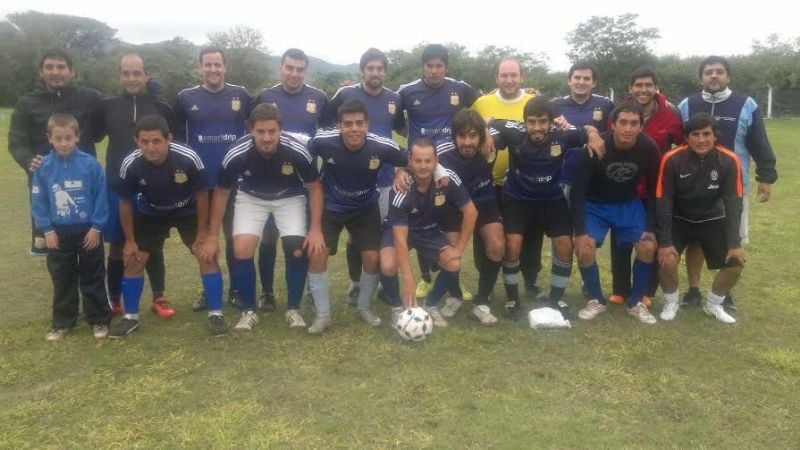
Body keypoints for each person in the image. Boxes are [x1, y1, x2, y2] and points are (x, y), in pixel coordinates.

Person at [200, 104, 325, 333]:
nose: (266, 138)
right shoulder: (236, 153)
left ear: (281, 130)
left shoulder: (297, 150)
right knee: (241, 249)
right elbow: (221, 193)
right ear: (250, 130)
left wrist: (315, 228)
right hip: (252, 197)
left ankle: (293, 309)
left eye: (272, 131)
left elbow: (315, 187)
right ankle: (249, 311)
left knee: (296, 249)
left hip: (290, 197)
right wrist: (211, 235)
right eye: (260, 132)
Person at [109, 115, 226, 337]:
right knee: (135, 259)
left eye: (156, 141)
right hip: (151, 212)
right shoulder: (131, 163)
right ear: (137, 141)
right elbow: (124, 202)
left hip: (188, 211)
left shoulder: (188, 157)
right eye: (144, 142)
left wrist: (203, 232)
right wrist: (130, 241)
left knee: (206, 255)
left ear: (168, 139)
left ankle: (216, 314)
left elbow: (202, 195)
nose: (151, 147)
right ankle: (130, 318)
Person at [677, 55, 778, 310]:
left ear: (728, 76)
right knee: (696, 241)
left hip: (734, 187)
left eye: (719, 71)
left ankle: (722, 293)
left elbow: (759, 141)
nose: (714, 76)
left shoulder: (746, 104)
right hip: (693, 188)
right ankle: (693, 290)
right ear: (701, 78)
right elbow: (678, 144)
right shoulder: (687, 104)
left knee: (730, 239)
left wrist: (766, 176)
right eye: (708, 72)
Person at [490, 97, 604, 320]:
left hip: (552, 199)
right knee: (512, 245)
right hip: (518, 199)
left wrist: (594, 136)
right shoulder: (515, 133)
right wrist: (486, 133)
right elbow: (492, 121)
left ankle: (556, 299)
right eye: (531, 122)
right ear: (524, 122)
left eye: (542, 121)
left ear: (551, 122)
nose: (537, 127)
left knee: (564, 245)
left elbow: (588, 128)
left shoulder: (563, 134)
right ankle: (513, 299)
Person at [308, 100, 409, 328]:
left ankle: (365, 307)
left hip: (365, 208)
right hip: (331, 207)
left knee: (373, 258)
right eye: (348, 124)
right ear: (339, 125)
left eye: (359, 123)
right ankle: (323, 315)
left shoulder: (382, 146)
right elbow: (297, 149)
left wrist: (402, 170)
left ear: (368, 124)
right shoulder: (323, 142)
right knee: (317, 252)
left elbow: (413, 158)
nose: (354, 129)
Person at [322, 48, 406, 305]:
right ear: (362, 70)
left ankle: (382, 285)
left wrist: (402, 167)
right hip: (348, 176)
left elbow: (403, 129)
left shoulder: (394, 98)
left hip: (384, 178)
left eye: (380, 68)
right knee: (353, 236)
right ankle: (356, 283)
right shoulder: (345, 94)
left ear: (385, 72)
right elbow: (326, 123)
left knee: (379, 233)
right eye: (370, 68)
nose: (375, 73)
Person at [397, 43, 478, 300]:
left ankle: (451, 277)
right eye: (429, 66)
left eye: (439, 66)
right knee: (422, 219)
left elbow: (480, 109)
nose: (434, 71)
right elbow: (399, 125)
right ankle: (426, 277)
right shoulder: (407, 91)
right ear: (423, 67)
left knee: (447, 222)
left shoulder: (460, 88)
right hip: (421, 164)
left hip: (449, 166)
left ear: (446, 67)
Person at [95, 53, 174, 316]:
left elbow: (173, 143)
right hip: (118, 186)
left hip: (153, 188)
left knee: (152, 244)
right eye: (126, 73)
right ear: (120, 76)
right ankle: (115, 298)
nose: (131, 78)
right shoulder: (107, 106)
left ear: (146, 75)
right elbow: (88, 136)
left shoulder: (161, 107)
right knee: (118, 244)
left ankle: (159, 297)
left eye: (136, 73)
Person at [173, 47, 251, 312]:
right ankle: (209, 289)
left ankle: (238, 290)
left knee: (233, 237)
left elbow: (253, 130)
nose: (213, 70)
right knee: (205, 237)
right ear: (200, 67)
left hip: (234, 182)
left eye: (218, 64)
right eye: (208, 65)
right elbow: (177, 141)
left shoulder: (241, 94)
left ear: (225, 66)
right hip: (200, 185)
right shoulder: (185, 97)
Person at [252, 48, 327, 311]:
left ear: (305, 70)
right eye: (290, 68)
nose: (294, 73)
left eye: (299, 69)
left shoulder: (318, 97)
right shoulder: (266, 96)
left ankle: (304, 288)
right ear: (280, 68)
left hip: (303, 181)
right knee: (269, 237)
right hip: (271, 180)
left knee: (299, 238)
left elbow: (326, 137)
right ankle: (268, 293)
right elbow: (256, 135)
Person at [571, 103, 660, 324]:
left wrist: (650, 227)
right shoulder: (597, 146)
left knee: (648, 246)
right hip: (595, 205)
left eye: (634, 123)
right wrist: (580, 230)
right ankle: (596, 299)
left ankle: (636, 302)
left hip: (628, 204)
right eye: (623, 123)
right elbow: (577, 190)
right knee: (584, 248)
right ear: (613, 125)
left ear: (641, 126)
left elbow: (654, 188)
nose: (628, 129)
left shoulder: (648, 147)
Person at [8, 49, 103, 256]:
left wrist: (150, 92)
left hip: (83, 185)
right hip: (46, 185)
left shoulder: (90, 97)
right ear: (41, 72)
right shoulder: (27, 103)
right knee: (52, 249)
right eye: (49, 67)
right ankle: (62, 285)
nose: (55, 72)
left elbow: (109, 118)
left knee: (88, 247)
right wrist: (28, 159)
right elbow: (16, 141)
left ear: (72, 72)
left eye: (61, 67)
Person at [655, 113, 744, 324]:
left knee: (735, 263)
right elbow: (664, 199)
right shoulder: (672, 159)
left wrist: (734, 243)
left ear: (715, 137)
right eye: (695, 134)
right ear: (687, 137)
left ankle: (714, 304)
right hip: (680, 218)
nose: (701, 139)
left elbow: (733, 202)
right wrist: (665, 242)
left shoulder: (729, 160)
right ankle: (672, 302)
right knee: (666, 260)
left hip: (711, 219)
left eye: (706, 134)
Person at [31, 113, 111, 341]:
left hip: (88, 231)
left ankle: (99, 320)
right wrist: (47, 230)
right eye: (59, 138)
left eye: (68, 137)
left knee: (93, 276)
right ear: (50, 139)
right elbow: (39, 201)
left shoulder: (90, 164)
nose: (64, 142)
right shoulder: (44, 167)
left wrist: (96, 227)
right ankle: (62, 322)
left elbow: (101, 197)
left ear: (77, 137)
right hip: (58, 232)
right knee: (62, 277)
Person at [385, 138, 477, 328]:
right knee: (387, 264)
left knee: (453, 263)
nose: (423, 166)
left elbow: (471, 212)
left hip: (430, 231)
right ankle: (396, 307)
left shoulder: (447, 178)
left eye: (428, 161)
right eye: (418, 160)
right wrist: (408, 279)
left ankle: (431, 305)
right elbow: (400, 238)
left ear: (436, 160)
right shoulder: (402, 186)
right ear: (409, 160)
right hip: (403, 231)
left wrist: (459, 248)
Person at [471, 58, 541, 299]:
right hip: (488, 183)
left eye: (514, 75)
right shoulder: (482, 103)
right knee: (484, 234)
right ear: (496, 78)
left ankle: (531, 280)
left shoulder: (533, 101)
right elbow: (471, 133)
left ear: (522, 77)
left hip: (525, 184)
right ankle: (487, 285)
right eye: (504, 75)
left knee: (528, 234)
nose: (509, 80)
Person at [614, 67, 685, 304]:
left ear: (656, 88)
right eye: (638, 85)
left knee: (651, 239)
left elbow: (683, 145)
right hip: (625, 186)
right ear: (630, 88)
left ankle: (645, 291)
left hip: (657, 189)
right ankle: (621, 290)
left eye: (648, 85)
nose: (643, 90)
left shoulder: (671, 114)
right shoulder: (620, 111)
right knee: (621, 240)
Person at [435, 109, 503, 324]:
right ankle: (454, 295)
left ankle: (481, 301)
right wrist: (401, 172)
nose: (467, 142)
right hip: (454, 207)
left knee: (497, 245)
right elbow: (414, 159)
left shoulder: (492, 141)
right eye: (462, 136)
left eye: (473, 136)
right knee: (450, 252)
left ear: (481, 136)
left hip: (484, 201)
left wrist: (488, 131)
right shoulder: (442, 151)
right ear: (454, 136)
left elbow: (505, 123)